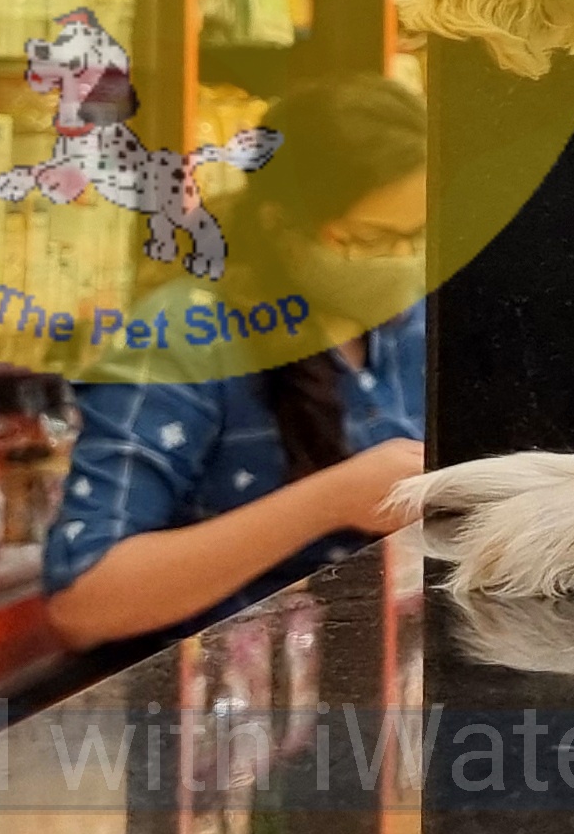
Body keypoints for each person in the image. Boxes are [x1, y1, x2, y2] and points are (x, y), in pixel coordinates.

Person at [45, 77, 432, 648]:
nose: (399, 264)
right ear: (281, 224)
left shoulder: (412, 323)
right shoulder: (184, 337)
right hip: (222, 711)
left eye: (418, 238)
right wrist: (329, 501)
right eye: (368, 241)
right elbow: (85, 598)